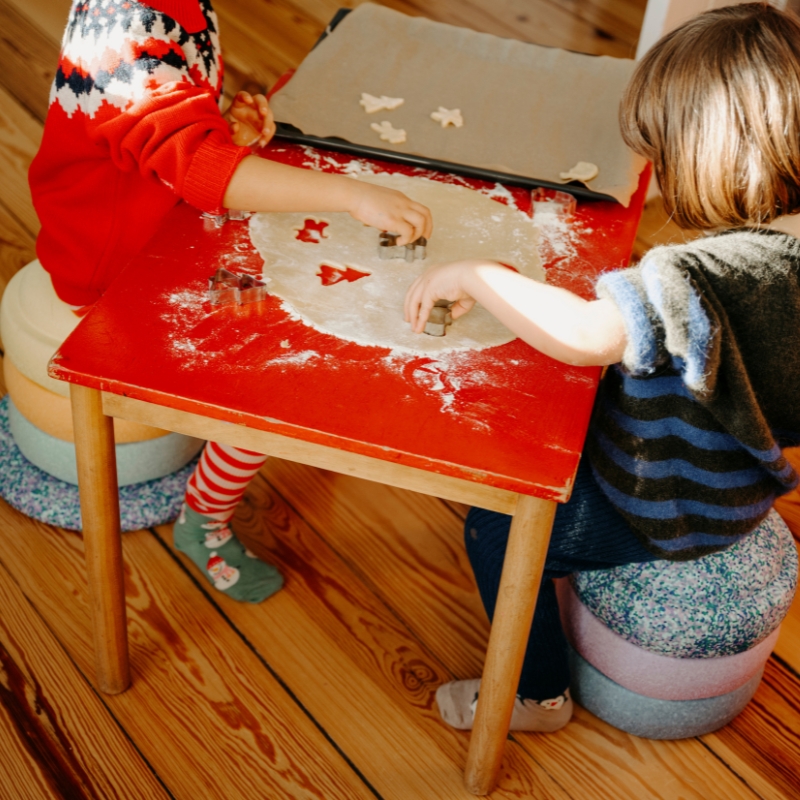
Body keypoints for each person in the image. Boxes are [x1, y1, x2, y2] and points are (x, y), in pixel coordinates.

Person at [404, 2, 800, 732]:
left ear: (713, 152)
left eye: (668, 156)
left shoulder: (703, 275)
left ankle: (537, 696)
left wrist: (480, 275)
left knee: (494, 526)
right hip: (735, 477)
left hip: (669, 506)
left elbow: (587, 334)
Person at [29, 0, 432, 604]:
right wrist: (350, 196)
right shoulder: (123, 30)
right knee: (276, 378)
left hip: (164, 225)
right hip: (113, 271)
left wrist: (221, 128)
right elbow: (189, 161)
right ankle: (204, 519)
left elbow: (165, 130)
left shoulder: (175, 6)